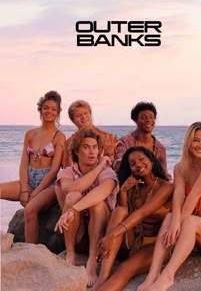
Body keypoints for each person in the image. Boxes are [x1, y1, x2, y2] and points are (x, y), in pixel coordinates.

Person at [137, 121, 201, 291]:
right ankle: (152, 275)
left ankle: (167, 277)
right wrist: (175, 221)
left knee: (188, 221)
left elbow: (196, 193)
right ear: (188, 141)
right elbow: (178, 196)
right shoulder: (180, 167)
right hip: (196, 235)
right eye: (196, 140)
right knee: (169, 217)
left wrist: (180, 222)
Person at [91, 147, 173, 291]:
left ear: (151, 161)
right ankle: (102, 278)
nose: (138, 164)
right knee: (119, 211)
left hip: (155, 244)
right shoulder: (134, 187)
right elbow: (123, 214)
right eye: (133, 163)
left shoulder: (165, 187)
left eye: (142, 159)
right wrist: (123, 192)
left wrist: (110, 236)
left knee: (125, 268)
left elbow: (143, 212)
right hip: (134, 240)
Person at [54, 128, 119, 287]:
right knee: (73, 196)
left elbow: (103, 191)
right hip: (78, 232)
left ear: (99, 150)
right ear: (77, 150)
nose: (92, 152)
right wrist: (98, 167)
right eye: (86, 147)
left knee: (97, 204)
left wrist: (73, 210)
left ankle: (92, 261)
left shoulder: (108, 171)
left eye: (95, 147)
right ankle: (70, 254)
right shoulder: (67, 172)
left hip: (100, 234)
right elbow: (70, 189)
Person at [0, 90, 66, 243]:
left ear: (57, 113)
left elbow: (55, 170)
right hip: (29, 179)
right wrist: (24, 189)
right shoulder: (30, 133)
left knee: (30, 210)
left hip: (48, 184)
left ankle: (31, 252)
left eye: (53, 109)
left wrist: (35, 193)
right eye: (46, 107)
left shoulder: (59, 137)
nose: (49, 111)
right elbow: (24, 163)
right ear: (40, 110)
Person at [114, 101, 170, 179]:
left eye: (151, 117)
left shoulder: (160, 148)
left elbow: (164, 173)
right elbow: (119, 165)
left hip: (152, 187)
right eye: (143, 117)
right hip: (130, 184)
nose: (148, 120)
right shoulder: (125, 142)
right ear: (136, 120)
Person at [62, 100, 117, 167]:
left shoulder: (107, 137)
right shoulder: (70, 142)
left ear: (90, 114)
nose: (83, 117)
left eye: (85, 113)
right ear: (73, 120)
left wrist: (110, 153)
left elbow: (117, 164)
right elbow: (67, 168)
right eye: (78, 115)